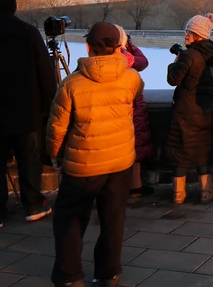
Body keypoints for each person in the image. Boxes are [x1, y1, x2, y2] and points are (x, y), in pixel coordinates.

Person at [47, 22, 143, 287]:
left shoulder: (72, 83)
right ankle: (108, 273)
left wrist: (54, 156)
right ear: (118, 47)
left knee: (70, 220)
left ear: (88, 46)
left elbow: (56, 127)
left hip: (83, 164)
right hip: (121, 161)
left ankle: (69, 277)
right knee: (113, 219)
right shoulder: (131, 77)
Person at [0, 0, 57, 230]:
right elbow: (46, 73)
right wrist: (46, 106)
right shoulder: (28, 33)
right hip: (25, 110)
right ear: (14, 9)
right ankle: (33, 205)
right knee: (29, 159)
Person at [165, 13, 213, 205]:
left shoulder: (189, 55)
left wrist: (176, 61)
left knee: (180, 148)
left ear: (198, 34)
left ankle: (178, 194)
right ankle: (206, 191)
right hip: (205, 108)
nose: (185, 34)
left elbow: (174, 80)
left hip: (185, 109)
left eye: (188, 31)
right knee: (203, 148)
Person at [115, 26, 154, 197]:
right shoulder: (120, 57)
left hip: (129, 108)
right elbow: (141, 62)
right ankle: (129, 187)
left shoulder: (124, 52)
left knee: (132, 150)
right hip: (127, 108)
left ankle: (130, 187)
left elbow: (142, 62)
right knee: (128, 150)